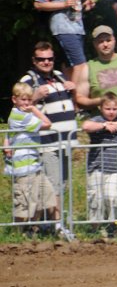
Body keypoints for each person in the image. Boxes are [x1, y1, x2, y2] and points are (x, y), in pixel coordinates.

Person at [5, 83, 72, 239]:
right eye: (24, 100)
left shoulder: (19, 114)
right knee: (24, 203)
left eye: (29, 100)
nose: (27, 103)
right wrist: (35, 108)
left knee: (46, 195)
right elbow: (48, 124)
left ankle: (33, 229)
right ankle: (17, 234)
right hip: (24, 167)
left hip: (34, 165)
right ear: (14, 100)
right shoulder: (21, 116)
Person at [19, 42, 78, 208]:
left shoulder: (60, 75)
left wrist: (73, 91)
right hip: (48, 142)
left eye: (50, 59)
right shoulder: (28, 80)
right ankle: (55, 225)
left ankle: (54, 224)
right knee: (54, 185)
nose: (46, 62)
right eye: (41, 59)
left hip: (67, 142)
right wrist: (35, 96)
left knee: (63, 184)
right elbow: (18, 109)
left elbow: (73, 106)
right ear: (34, 60)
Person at [33, 0, 96, 83]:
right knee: (81, 65)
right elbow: (38, 3)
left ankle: (67, 97)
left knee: (69, 67)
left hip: (76, 28)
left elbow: (72, 6)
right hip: (64, 29)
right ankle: (76, 100)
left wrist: (85, 7)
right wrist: (64, 4)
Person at [81, 92, 117, 227]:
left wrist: (115, 124)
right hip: (96, 168)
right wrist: (105, 125)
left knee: (112, 197)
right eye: (108, 109)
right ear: (100, 108)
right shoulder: (97, 120)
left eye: (114, 109)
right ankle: (95, 227)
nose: (111, 112)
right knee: (96, 198)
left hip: (116, 168)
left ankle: (114, 225)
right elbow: (85, 126)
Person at [75, 25, 117, 114]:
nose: (105, 44)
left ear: (114, 41)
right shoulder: (88, 67)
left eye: (108, 40)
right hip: (102, 123)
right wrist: (101, 101)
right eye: (101, 41)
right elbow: (79, 99)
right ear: (94, 44)